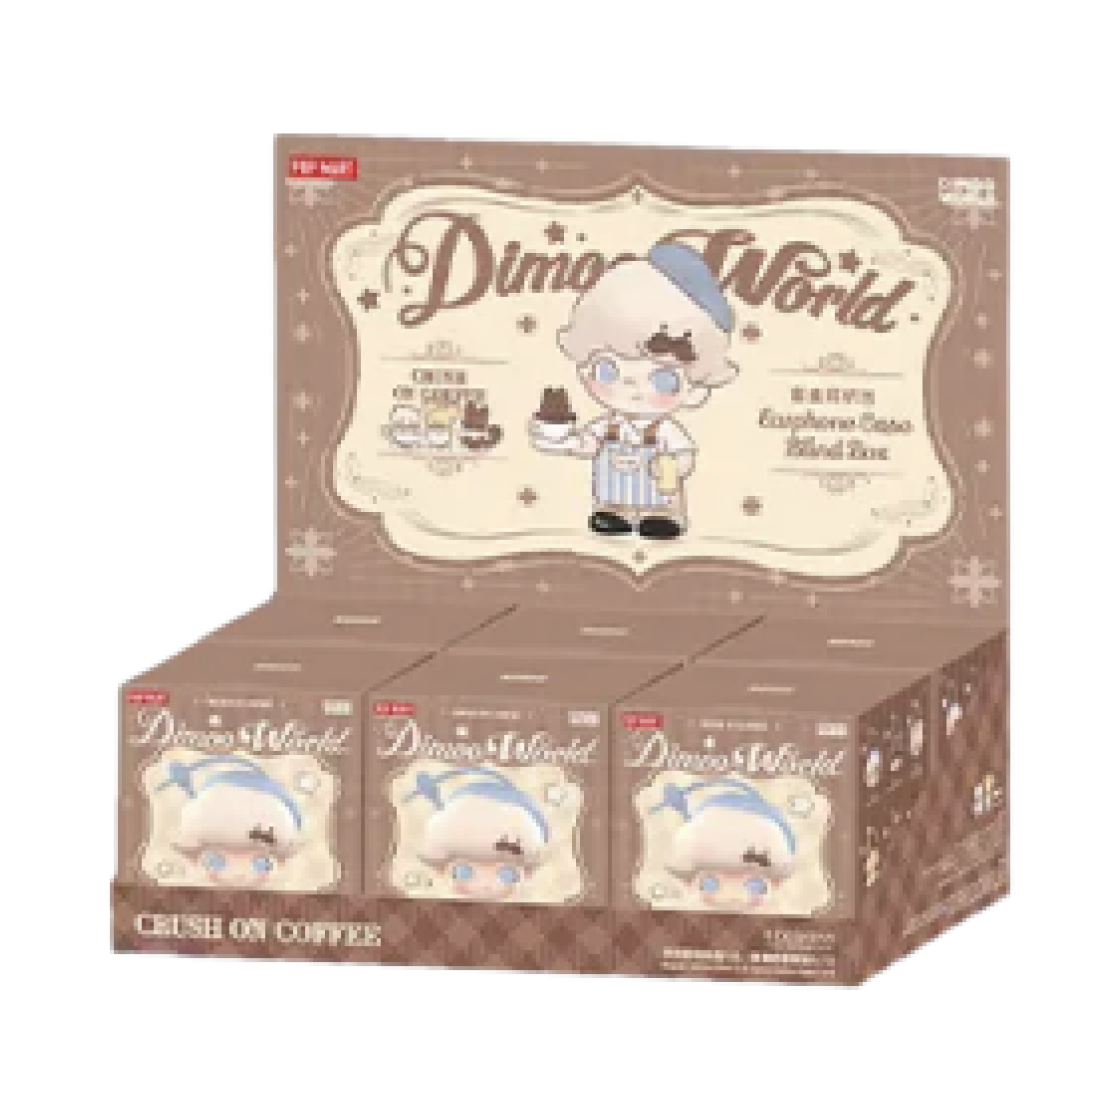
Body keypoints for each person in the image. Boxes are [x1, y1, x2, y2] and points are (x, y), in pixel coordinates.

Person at [530, 241, 739, 539]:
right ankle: (613, 514)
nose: (631, 386)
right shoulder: (607, 426)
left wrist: (673, 467)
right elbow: (587, 445)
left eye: (662, 379)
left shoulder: (666, 431)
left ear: (694, 388)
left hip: (660, 498)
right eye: (607, 370)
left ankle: (665, 518)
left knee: (663, 507)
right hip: (614, 497)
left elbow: (684, 455)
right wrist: (560, 440)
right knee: (611, 506)